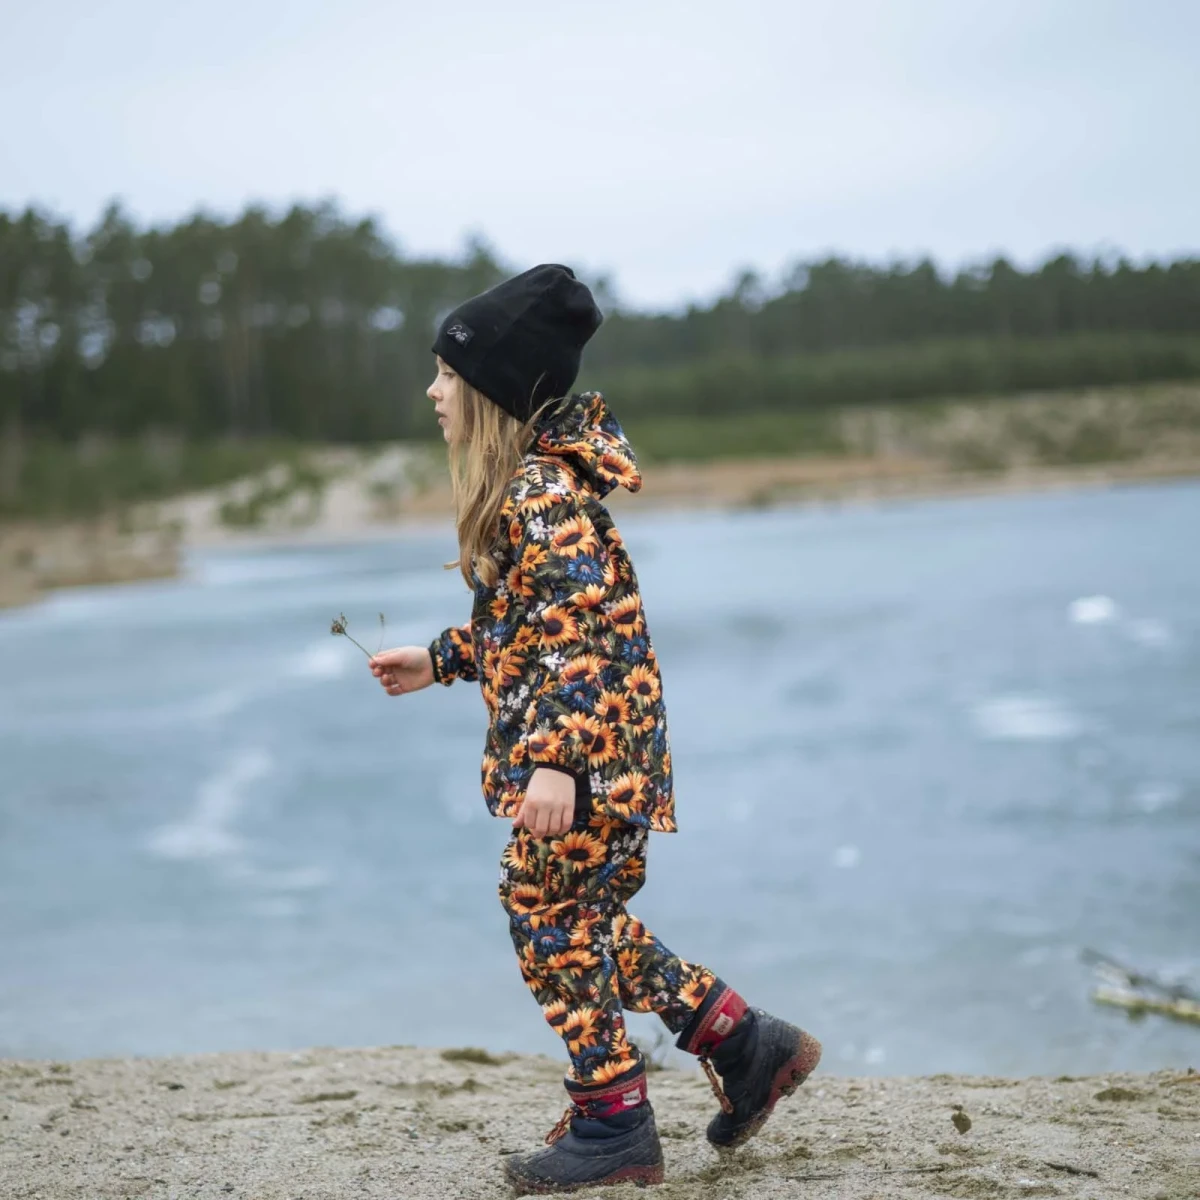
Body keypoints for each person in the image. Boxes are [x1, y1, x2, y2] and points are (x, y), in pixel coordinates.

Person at [369, 264, 820, 1193]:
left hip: (590, 761)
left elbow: (580, 634)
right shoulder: (534, 491)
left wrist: (558, 763)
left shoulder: (539, 495)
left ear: (494, 390)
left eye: (448, 374)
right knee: (574, 921)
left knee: (547, 917)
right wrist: (441, 657)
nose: (433, 391)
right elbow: (529, 629)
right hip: (606, 758)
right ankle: (742, 1043)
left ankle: (616, 1122)